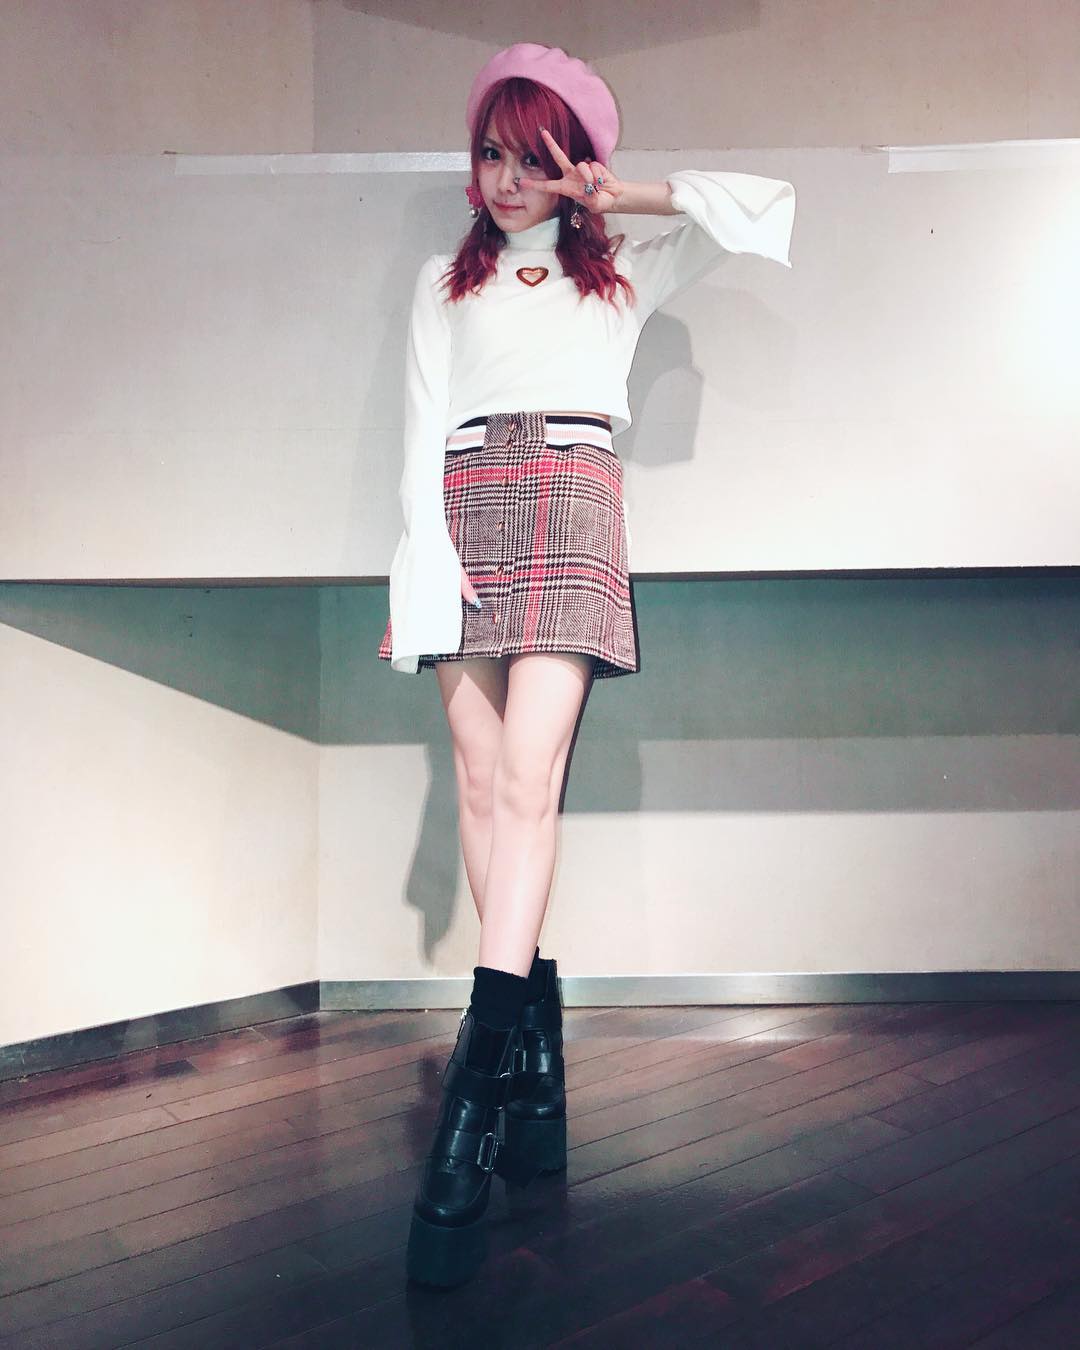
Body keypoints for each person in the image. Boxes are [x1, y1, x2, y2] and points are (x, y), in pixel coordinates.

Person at [377, 43, 797, 1288]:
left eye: (533, 156)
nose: (505, 178)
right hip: (461, 504)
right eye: (490, 153)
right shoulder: (440, 284)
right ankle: (534, 1049)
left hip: (571, 494)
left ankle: (474, 1095)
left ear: (571, 162)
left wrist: (627, 195)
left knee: (527, 781)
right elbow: (418, 429)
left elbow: (762, 204)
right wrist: (424, 556)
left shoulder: (623, 271)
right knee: (477, 780)